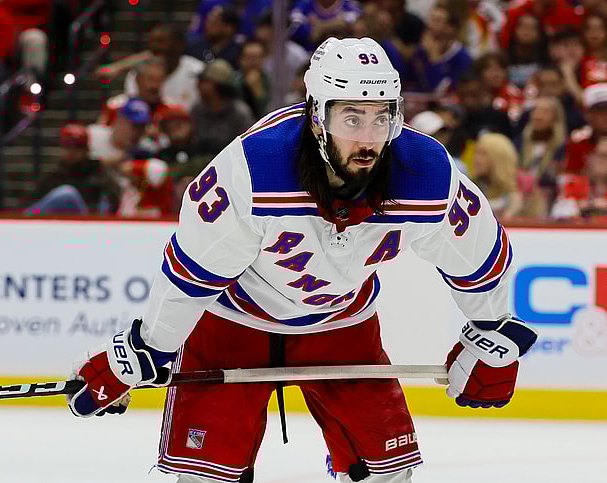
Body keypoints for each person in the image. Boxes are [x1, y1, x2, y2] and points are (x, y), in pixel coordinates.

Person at [65, 37, 538, 483]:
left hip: (343, 328)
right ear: (317, 116)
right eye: (352, 118)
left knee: (388, 474)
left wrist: (493, 334)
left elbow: (478, 258)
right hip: (233, 326)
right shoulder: (254, 170)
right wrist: (146, 348)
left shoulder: (425, 172)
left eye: (382, 117)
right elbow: (191, 274)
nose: (369, 138)